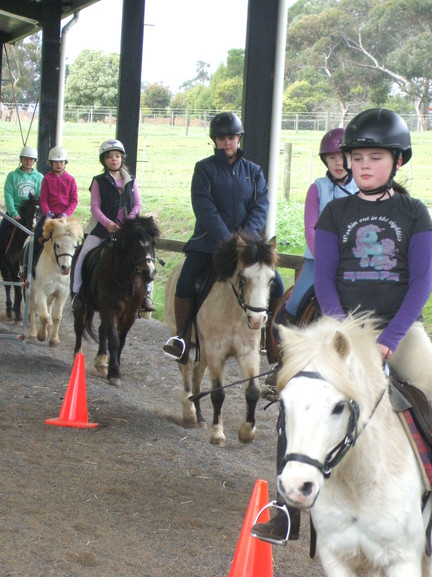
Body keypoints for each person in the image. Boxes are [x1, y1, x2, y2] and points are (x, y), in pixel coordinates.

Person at [253, 107, 432, 545]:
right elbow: (327, 279)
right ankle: (288, 507)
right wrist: (343, 335)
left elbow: (423, 281)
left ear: (397, 162)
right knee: (294, 401)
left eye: (375, 157)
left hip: (400, 332)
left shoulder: (415, 213)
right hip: (341, 333)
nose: (364, 165)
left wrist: (390, 339)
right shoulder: (335, 214)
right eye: (358, 158)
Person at [163, 111, 284, 363]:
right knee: (186, 281)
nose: (226, 142)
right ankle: (182, 338)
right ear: (214, 141)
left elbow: (261, 205)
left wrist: (246, 239)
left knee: (278, 285)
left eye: (231, 137)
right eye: (221, 138)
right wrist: (228, 241)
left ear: (239, 138)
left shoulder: (253, 171)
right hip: (209, 243)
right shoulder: (204, 169)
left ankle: (273, 343)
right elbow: (204, 208)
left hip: (248, 247)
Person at [284, 128, 357, 320]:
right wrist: (326, 261)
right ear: (325, 160)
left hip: (353, 262)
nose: (338, 163)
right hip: (318, 261)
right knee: (293, 305)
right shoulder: (317, 188)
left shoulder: (361, 189)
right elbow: (311, 229)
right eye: (332, 157)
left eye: (342, 156)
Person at [71, 139, 149, 311]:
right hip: (102, 228)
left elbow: (138, 204)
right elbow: (95, 207)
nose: (114, 159)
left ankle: (146, 293)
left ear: (122, 158)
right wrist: (108, 224)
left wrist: (130, 221)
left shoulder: (131, 179)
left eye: (117, 156)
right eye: (109, 157)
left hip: (127, 229)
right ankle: (77, 292)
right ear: (104, 161)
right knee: (83, 253)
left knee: (144, 252)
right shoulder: (98, 181)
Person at [20, 146, 78, 279]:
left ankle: (75, 273)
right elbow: (44, 199)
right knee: (34, 239)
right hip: (49, 218)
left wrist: (66, 214)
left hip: (65, 218)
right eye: (56, 162)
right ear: (51, 163)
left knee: (76, 242)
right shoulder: (46, 179)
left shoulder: (71, 180)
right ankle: (26, 267)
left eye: (61, 162)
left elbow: (74, 201)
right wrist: (47, 212)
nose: (59, 164)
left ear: (65, 163)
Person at [0, 145, 43, 278]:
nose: (28, 161)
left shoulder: (39, 177)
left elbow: (40, 197)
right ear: (21, 159)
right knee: (1, 234)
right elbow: (9, 194)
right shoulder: (12, 176)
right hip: (16, 213)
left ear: (34, 161)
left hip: (32, 213)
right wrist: (12, 212)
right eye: (26, 158)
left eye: (31, 159)